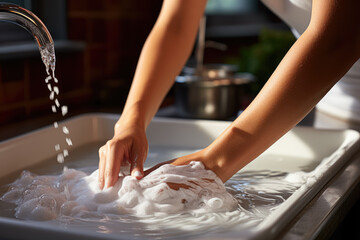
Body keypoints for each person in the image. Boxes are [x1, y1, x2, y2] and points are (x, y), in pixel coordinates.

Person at [98, 0, 360, 189]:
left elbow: (339, 36)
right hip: (333, 101)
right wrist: (131, 121)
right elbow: (177, 22)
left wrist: (214, 162)